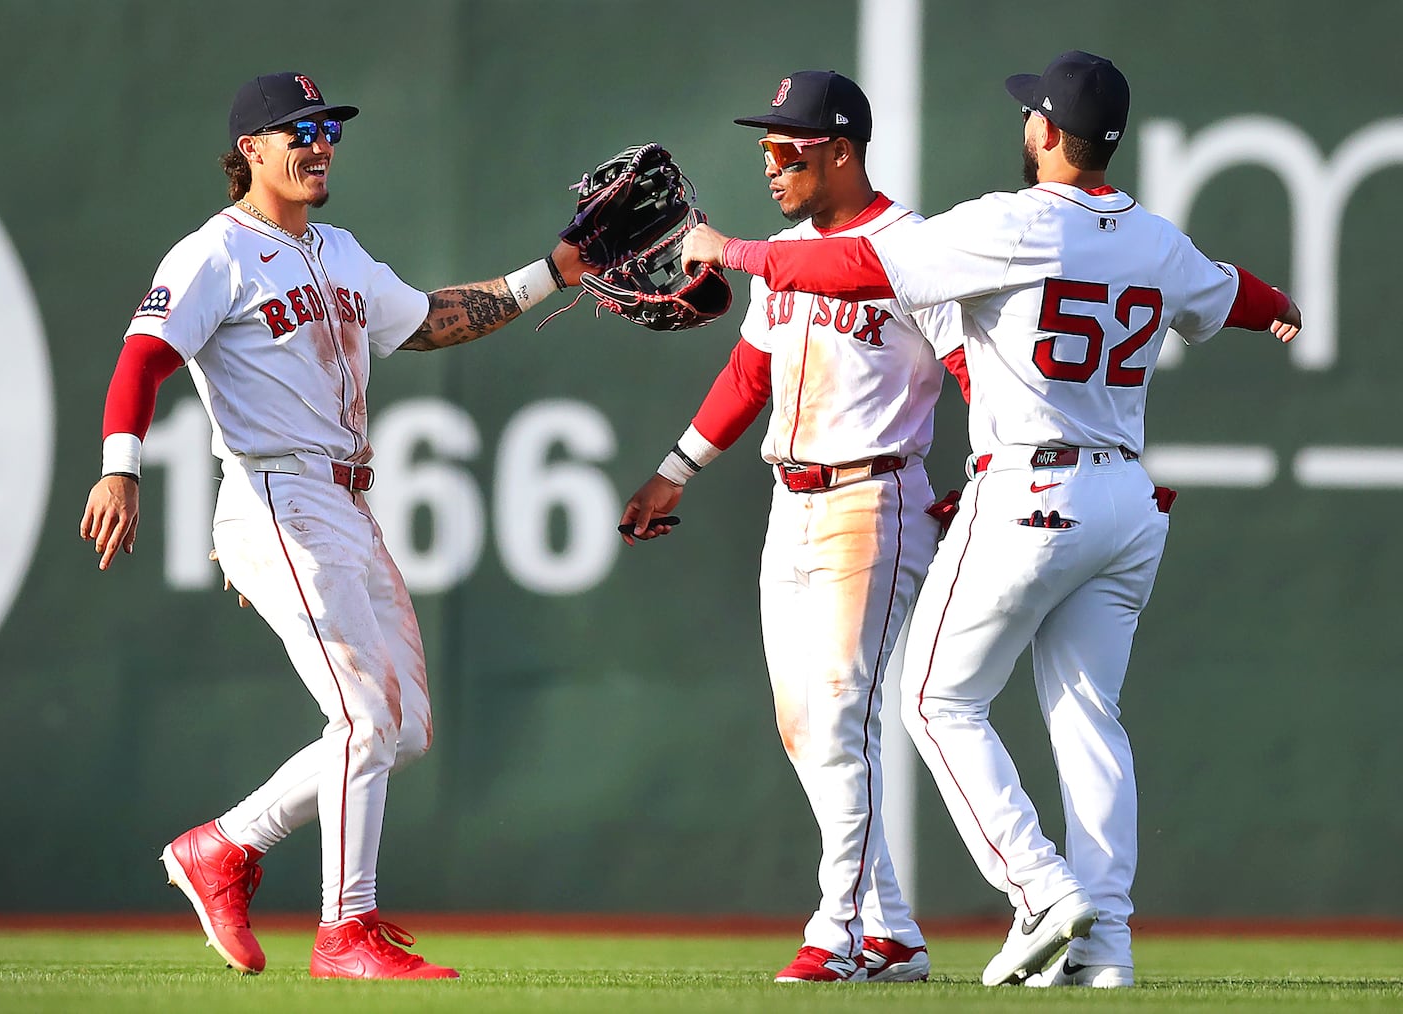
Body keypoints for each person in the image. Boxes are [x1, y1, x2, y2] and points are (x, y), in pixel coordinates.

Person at [683, 51, 1302, 989]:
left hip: (1032, 488)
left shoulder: (1013, 222)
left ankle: (1040, 891)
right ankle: (1105, 946)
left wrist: (732, 250)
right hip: (1127, 502)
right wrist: (1281, 307)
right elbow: (1234, 291)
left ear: (1047, 131)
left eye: (1030, 114)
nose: (1024, 125)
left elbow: (856, 264)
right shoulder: (1156, 240)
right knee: (1090, 717)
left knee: (936, 702)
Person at [78, 71, 588, 980]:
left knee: (404, 727)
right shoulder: (214, 253)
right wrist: (121, 467)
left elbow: (429, 321)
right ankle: (344, 930)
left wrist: (554, 272)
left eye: (329, 131)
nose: (320, 146)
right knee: (363, 716)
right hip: (277, 494)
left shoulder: (339, 251)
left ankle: (224, 846)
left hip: (347, 502)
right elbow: (143, 360)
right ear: (251, 151)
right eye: (300, 131)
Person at [621, 70, 962, 984]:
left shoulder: (911, 248)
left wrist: (994, 464)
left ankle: (836, 933)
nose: (769, 165)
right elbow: (751, 373)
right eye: (764, 150)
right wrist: (674, 472)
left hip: (873, 498)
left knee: (843, 711)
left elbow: (972, 364)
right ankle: (892, 932)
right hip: (792, 504)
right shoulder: (784, 250)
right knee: (805, 727)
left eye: (786, 150)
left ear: (840, 152)